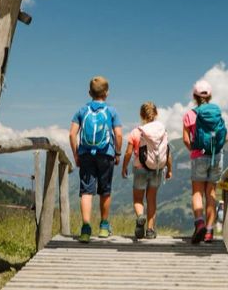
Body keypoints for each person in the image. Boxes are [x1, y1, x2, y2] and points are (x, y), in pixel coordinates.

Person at [69, 76, 123, 243]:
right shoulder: (112, 111)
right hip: (106, 153)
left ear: (89, 92)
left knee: (86, 191)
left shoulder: (81, 111)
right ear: (106, 93)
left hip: (86, 155)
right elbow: (119, 134)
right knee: (105, 191)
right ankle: (104, 227)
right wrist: (118, 153)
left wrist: (76, 154)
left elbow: (72, 134)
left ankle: (85, 229)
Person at [182, 80, 227, 244]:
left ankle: (199, 222)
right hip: (216, 155)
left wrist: (194, 150)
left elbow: (186, 140)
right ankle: (209, 231)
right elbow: (225, 137)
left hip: (198, 156)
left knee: (197, 192)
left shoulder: (189, 115)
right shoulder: (216, 113)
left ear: (194, 96)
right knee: (211, 194)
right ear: (210, 96)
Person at [122, 101, 172, 239]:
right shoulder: (163, 131)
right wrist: (169, 169)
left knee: (138, 199)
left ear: (141, 115)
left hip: (140, 168)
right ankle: (150, 230)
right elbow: (167, 152)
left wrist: (124, 166)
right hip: (157, 169)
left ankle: (140, 217)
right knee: (152, 199)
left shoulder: (136, 132)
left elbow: (128, 152)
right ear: (156, 114)